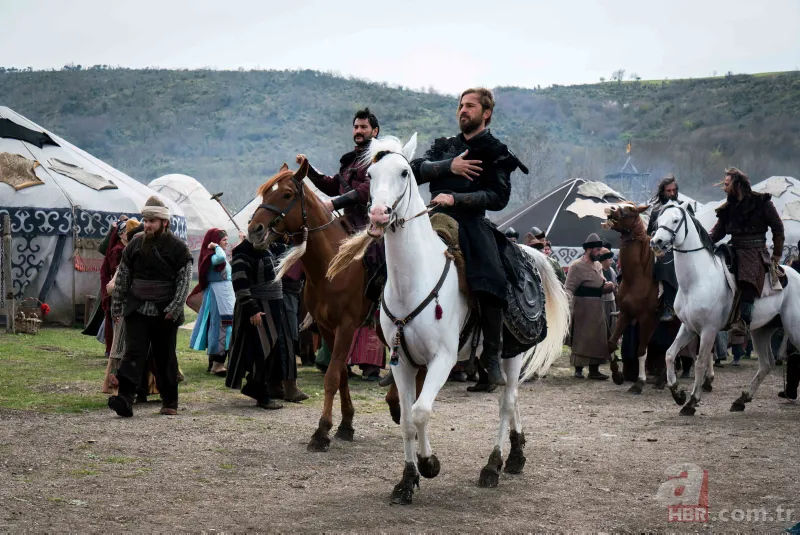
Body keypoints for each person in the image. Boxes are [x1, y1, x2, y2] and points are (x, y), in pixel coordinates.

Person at [409, 87, 528, 386]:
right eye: (461, 105)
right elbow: (413, 171)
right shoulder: (444, 146)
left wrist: (457, 199)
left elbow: (498, 197)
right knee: (392, 264)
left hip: (471, 222)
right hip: (431, 217)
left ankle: (491, 353)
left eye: (470, 106)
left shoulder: (496, 152)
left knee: (493, 276)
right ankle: (398, 349)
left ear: (486, 113)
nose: (463, 110)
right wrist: (449, 166)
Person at [109, 196, 193, 417]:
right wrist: (117, 307)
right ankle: (125, 398)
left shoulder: (178, 248)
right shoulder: (135, 243)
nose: (147, 225)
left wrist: (174, 309)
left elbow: (183, 282)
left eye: (152, 221)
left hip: (165, 311)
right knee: (133, 353)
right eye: (145, 221)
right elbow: (123, 277)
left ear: (164, 222)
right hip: (136, 308)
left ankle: (170, 401)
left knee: (165, 356)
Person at [297, 108, 386, 301]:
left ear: (375, 131)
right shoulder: (350, 161)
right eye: (356, 127)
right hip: (347, 221)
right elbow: (332, 186)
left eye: (364, 127)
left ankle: (378, 303)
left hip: (370, 222)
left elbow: (366, 190)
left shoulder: (380, 158)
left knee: (375, 258)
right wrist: (308, 169)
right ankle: (317, 305)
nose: (358, 131)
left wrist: (334, 204)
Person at [709, 167, 785, 334]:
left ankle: (744, 320)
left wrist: (777, 253)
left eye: (727, 184)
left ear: (737, 185)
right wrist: (705, 241)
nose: (724, 187)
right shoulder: (728, 207)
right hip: (734, 247)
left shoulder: (761, 202)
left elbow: (778, 228)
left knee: (747, 274)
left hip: (755, 250)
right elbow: (718, 231)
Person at [225, 236, 298, 410]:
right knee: (259, 351)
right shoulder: (242, 254)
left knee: (270, 351)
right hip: (256, 308)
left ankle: (255, 386)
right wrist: (252, 309)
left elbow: (289, 248)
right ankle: (260, 393)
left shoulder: (269, 248)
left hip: (273, 307)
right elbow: (239, 283)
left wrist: (301, 236)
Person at [187, 228, 237, 377]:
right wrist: (216, 247)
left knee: (221, 327)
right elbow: (221, 259)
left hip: (225, 295)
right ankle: (217, 365)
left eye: (227, 239)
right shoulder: (213, 256)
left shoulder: (216, 254)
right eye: (223, 240)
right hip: (218, 296)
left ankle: (215, 363)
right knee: (222, 327)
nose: (226, 242)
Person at [564, 233, 613, 379]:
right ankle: (578, 369)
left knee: (598, 338)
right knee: (582, 338)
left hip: (597, 306)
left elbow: (601, 281)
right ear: (589, 249)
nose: (599, 253)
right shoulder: (576, 266)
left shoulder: (598, 265)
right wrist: (566, 307)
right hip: (582, 307)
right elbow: (569, 288)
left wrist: (607, 285)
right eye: (597, 250)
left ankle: (594, 369)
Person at [647, 175, 682, 321]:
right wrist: (656, 250)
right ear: (663, 192)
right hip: (661, 250)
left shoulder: (683, 208)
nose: (672, 194)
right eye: (668, 191)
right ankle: (667, 305)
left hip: (681, 249)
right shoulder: (656, 211)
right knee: (662, 263)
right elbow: (649, 234)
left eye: (674, 190)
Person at [598, 248, 618, 339]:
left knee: (612, 325)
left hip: (611, 300)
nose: (611, 261)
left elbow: (615, 285)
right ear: (604, 259)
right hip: (601, 301)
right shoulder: (598, 270)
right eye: (609, 259)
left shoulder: (612, 271)